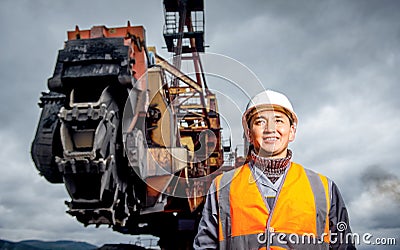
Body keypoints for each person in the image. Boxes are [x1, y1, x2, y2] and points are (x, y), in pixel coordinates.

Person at [193, 90, 356, 249]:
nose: (270, 129)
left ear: (292, 131)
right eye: (260, 122)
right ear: (249, 134)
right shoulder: (222, 187)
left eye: (278, 120)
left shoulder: (324, 189)